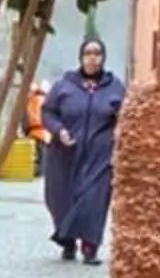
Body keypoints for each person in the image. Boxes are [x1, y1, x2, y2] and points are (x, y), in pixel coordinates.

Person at [40, 37, 128, 262]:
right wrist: (59, 130)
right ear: (81, 57)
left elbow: (126, 116)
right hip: (65, 155)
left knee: (94, 200)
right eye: (88, 53)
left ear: (103, 58)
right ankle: (67, 240)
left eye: (97, 54)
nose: (92, 58)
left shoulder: (115, 87)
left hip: (99, 156)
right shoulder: (64, 86)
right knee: (61, 199)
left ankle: (90, 248)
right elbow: (48, 112)